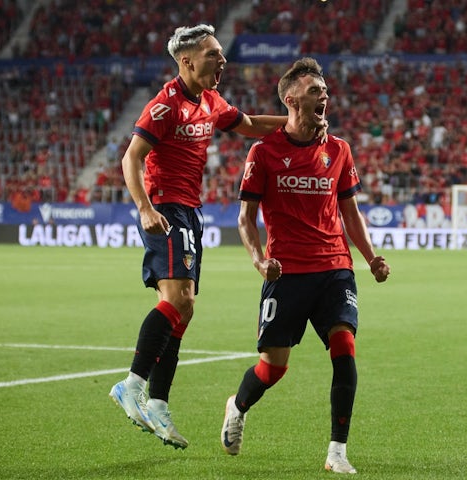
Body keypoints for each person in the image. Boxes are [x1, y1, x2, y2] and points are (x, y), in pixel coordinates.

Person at [108, 24, 303, 450]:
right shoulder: (165, 106)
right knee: (179, 300)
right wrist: (145, 208)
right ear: (187, 61)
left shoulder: (211, 101)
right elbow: (131, 157)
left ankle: (157, 403)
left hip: (191, 211)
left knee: (184, 308)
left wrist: (295, 124)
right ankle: (132, 384)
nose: (222, 60)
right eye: (214, 54)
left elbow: (248, 124)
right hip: (167, 207)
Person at [220, 58, 391, 474]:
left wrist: (370, 258)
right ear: (292, 99)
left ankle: (337, 451)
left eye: (326, 91)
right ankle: (237, 405)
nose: (325, 97)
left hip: (335, 268)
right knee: (273, 368)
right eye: (316, 91)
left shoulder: (339, 149)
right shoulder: (263, 152)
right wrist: (260, 261)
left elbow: (351, 213)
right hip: (287, 273)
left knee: (345, 347)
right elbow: (245, 218)